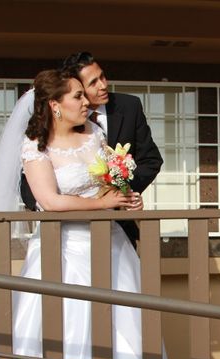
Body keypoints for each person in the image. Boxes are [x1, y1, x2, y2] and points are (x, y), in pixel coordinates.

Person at [0, 69, 175, 359]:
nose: (85, 101)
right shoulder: (36, 148)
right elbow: (50, 200)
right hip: (63, 248)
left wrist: (125, 198)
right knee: (59, 324)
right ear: (55, 105)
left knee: (124, 321)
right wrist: (102, 205)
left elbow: (111, 185)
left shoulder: (94, 133)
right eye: (77, 95)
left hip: (112, 246)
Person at [21, 51, 162, 245]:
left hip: (114, 229)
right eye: (93, 83)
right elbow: (34, 187)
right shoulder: (41, 137)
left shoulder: (122, 111)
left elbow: (150, 160)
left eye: (102, 76)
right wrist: (49, 205)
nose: (103, 85)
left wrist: (124, 193)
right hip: (63, 234)